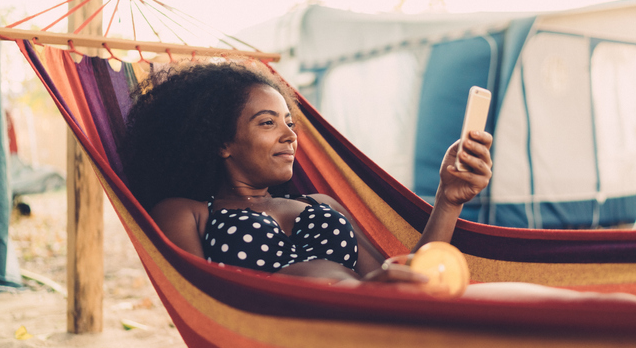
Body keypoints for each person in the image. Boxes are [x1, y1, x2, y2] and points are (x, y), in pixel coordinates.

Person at [121, 61, 493, 286]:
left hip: (381, 316)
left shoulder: (321, 203)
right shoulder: (187, 212)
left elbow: (406, 276)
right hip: (316, 328)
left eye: (290, 122)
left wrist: (447, 198)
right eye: (268, 123)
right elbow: (202, 301)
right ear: (221, 142)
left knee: (522, 302)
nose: (290, 135)